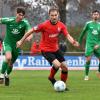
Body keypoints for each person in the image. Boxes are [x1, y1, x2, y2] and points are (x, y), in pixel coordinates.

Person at [16, 7, 79, 91]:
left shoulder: (61, 25)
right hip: (45, 49)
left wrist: (73, 42)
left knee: (65, 67)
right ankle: (51, 77)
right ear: (49, 15)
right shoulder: (44, 25)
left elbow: (67, 35)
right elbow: (30, 31)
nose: (54, 17)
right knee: (57, 65)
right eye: (52, 15)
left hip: (55, 49)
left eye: (55, 15)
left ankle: (63, 85)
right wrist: (21, 41)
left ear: (58, 15)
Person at [0, 7, 31, 86]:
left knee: (11, 64)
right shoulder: (10, 20)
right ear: (16, 13)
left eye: (22, 15)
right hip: (7, 43)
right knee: (8, 57)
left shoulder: (25, 23)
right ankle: (1, 75)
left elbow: (30, 31)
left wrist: (29, 37)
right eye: (19, 14)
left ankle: (7, 75)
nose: (21, 17)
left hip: (17, 46)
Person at [78, 10, 100, 80]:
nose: (96, 15)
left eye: (97, 14)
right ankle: (86, 75)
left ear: (99, 16)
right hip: (89, 45)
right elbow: (82, 33)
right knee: (88, 60)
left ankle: (98, 71)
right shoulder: (88, 24)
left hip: (97, 45)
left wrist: (99, 44)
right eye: (94, 14)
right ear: (92, 15)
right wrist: (79, 42)